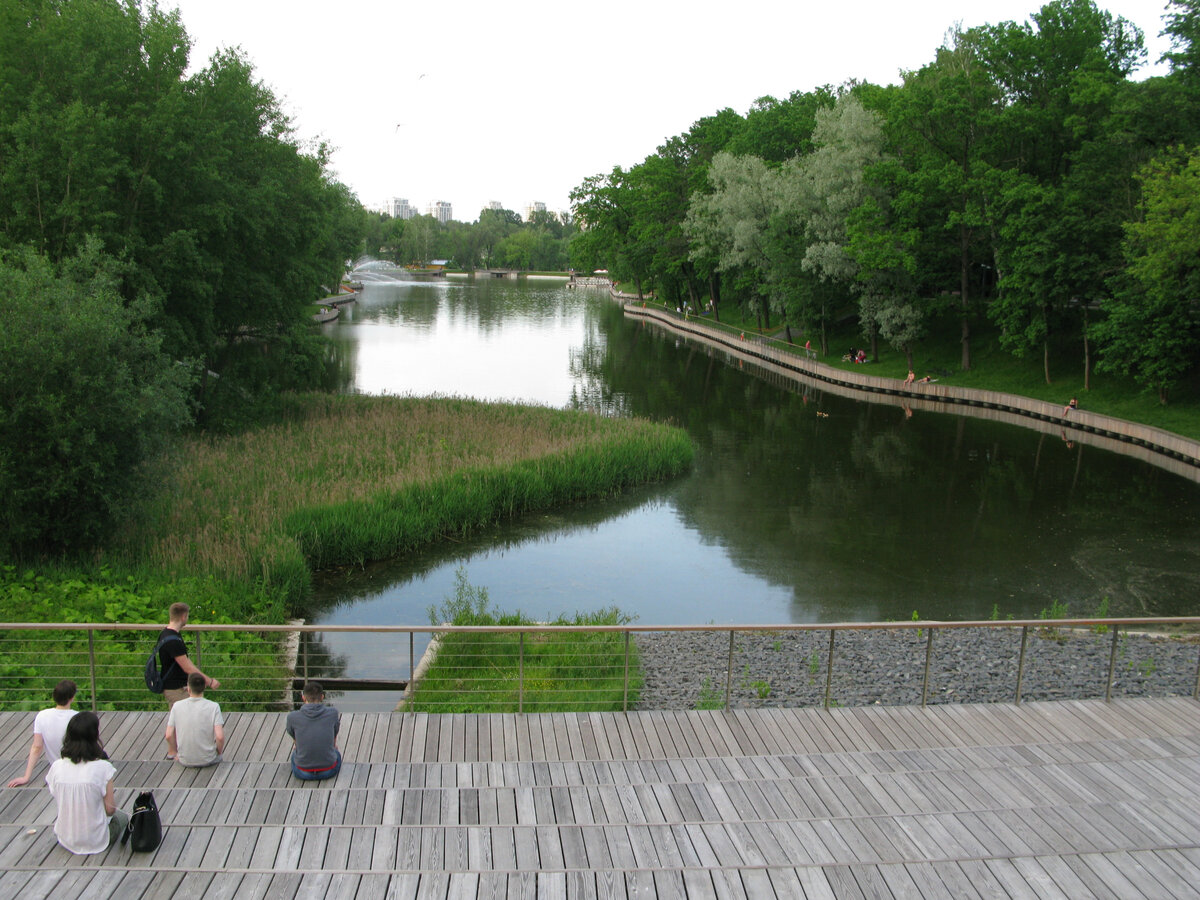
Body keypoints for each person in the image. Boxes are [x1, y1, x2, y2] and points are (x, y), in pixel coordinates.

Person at [45, 712, 128, 854]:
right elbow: (110, 810)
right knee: (123, 816)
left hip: (65, 837)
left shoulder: (57, 766)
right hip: (96, 840)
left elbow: (56, 793)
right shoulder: (103, 767)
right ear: (94, 736)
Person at [7, 680, 78, 787]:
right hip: (77, 767)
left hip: (57, 769)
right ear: (72, 698)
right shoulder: (77, 717)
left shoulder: (42, 716)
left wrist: (26, 776)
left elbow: (37, 747)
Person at [157, 602, 220, 709]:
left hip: (176, 686)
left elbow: (185, 661)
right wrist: (209, 681)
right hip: (176, 689)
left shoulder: (166, 634)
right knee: (189, 717)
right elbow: (187, 667)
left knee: (178, 720)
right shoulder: (173, 641)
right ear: (183, 616)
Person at [165, 672, 225, 767]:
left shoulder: (177, 706)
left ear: (188, 687)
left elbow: (168, 735)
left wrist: (176, 752)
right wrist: (219, 752)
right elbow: (220, 737)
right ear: (204, 686)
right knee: (220, 757)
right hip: (208, 759)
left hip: (184, 760)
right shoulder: (214, 707)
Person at [285, 681, 341, 781]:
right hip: (328, 771)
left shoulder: (292, 717)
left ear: (303, 698)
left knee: (294, 754)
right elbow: (334, 735)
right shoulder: (333, 713)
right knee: (337, 753)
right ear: (322, 697)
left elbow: (294, 737)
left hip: (302, 772)